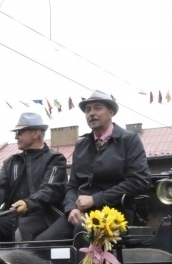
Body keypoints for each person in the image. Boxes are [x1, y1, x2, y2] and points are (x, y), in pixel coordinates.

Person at [35, 90, 150, 244]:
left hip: (116, 212)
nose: (91, 113)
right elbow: (72, 186)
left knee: (83, 231)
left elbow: (139, 181)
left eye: (97, 108)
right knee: (41, 244)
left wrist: (96, 199)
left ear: (111, 112)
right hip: (81, 212)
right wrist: (71, 209)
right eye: (88, 110)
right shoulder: (81, 144)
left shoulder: (129, 140)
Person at [0, 112, 67, 244]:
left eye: (20, 132)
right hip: (12, 216)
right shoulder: (11, 162)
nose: (16, 136)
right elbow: (1, 186)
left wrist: (28, 203)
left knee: (22, 230)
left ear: (36, 133)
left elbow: (51, 190)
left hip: (44, 216)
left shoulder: (55, 159)